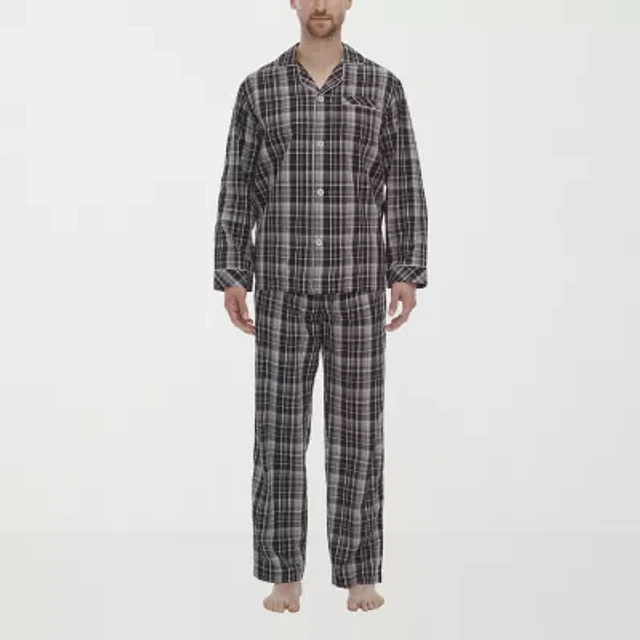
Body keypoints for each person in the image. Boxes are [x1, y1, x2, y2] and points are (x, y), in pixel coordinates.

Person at [213, 0, 428, 614]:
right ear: (293, 1)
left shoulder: (382, 87)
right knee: (278, 436)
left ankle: (359, 572)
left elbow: (403, 180)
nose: (321, 5)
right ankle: (283, 574)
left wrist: (406, 269)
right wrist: (233, 273)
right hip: (281, 287)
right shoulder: (259, 89)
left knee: (358, 436)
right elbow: (239, 185)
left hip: (359, 286)